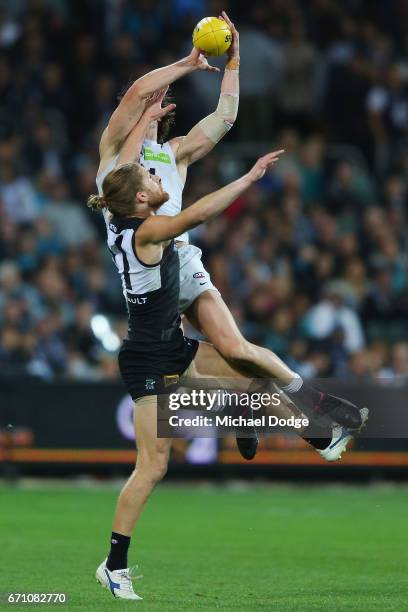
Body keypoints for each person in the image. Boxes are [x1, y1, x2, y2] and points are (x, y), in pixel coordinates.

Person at [89, 133, 367, 599]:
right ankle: (114, 566)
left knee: (253, 381)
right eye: (150, 176)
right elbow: (197, 214)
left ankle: (318, 435)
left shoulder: (125, 219)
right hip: (148, 360)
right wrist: (250, 177)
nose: (158, 176)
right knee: (153, 467)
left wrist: (148, 119)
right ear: (139, 198)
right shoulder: (146, 231)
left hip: (173, 346)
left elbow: (121, 154)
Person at [95, 13, 365, 463]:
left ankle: (308, 412)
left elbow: (225, 116)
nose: (155, 99)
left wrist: (234, 62)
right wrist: (185, 63)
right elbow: (139, 92)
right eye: (148, 99)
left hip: (179, 262)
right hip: (146, 277)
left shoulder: (174, 154)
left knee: (236, 352)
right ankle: (250, 415)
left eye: (161, 99)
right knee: (201, 374)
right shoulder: (113, 158)